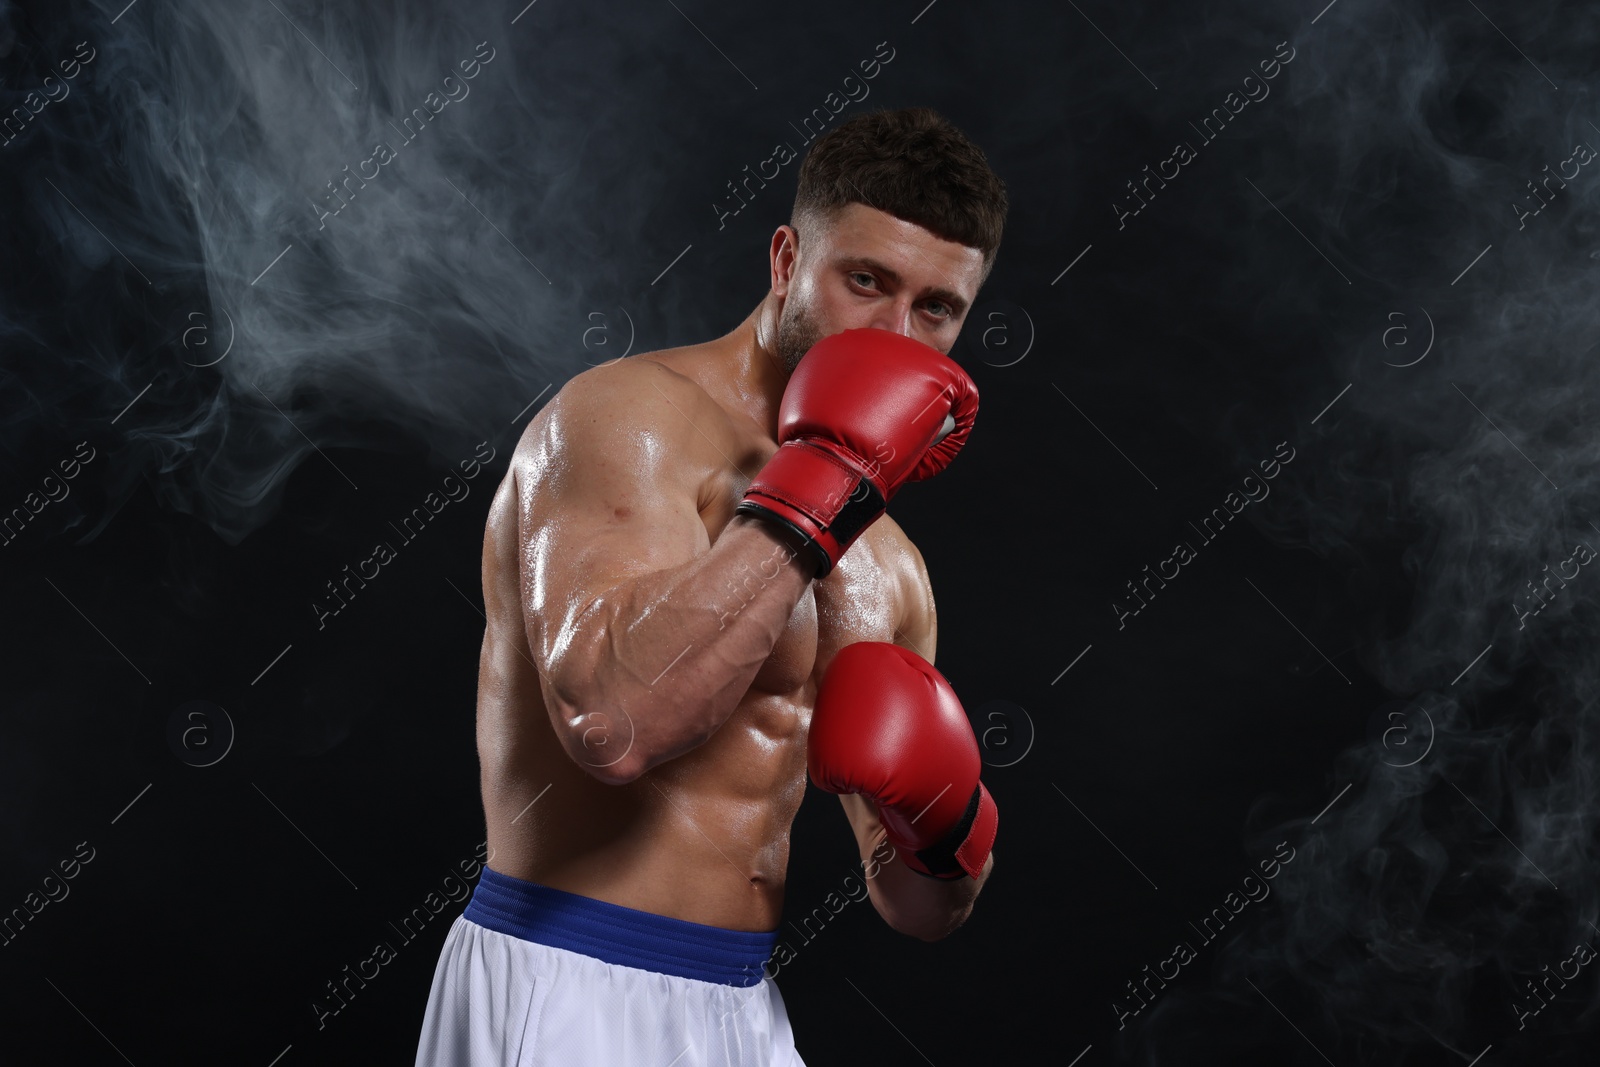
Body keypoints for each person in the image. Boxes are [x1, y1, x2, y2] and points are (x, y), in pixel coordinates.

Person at [415, 106, 1007, 1066]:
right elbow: (612, 726)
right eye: (866, 281)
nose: (899, 333)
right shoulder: (625, 418)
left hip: (741, 1009)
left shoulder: (892, 562)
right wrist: (819, 492)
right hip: (566, 979)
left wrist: (947, 826)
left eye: (937, 308)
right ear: (785, 261)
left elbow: (916, 907)